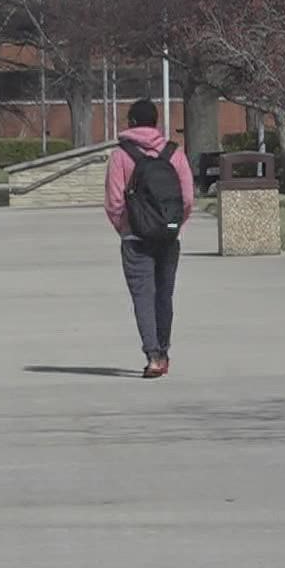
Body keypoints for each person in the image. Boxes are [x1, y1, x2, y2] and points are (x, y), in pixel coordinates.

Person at [104, 100, 195, 378]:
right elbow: (188, 198)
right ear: (156, 122)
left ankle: (153, 356)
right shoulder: (174, 153)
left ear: (131, 122)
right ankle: (164, 351)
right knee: (164, 295)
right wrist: (175, 226)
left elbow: (114, 202)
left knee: (143, 296)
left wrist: (126, 228)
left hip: (135, 237)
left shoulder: (120, 156)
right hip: (168, 236)